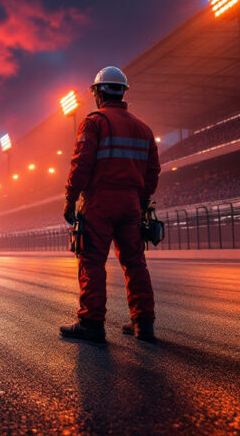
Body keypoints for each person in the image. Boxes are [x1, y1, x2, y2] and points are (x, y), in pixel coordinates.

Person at [59, 66, 160, 343]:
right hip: (131, 204)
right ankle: (143, 324)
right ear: (122, 92)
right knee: (135, 262)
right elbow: (153, 173)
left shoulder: (93, 123)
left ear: (97, 94)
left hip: (100, 202)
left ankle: (91, 324)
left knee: (91, 261)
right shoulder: (144, 129)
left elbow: (81, 164)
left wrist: (70, 198)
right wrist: (141, 201)